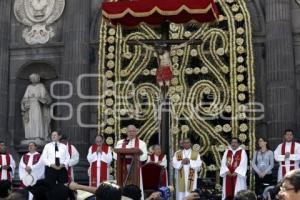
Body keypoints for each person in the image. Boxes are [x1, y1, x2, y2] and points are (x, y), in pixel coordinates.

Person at [114, 125, 148, 197]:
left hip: (136, 167)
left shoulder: (142, 143)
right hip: (123, 166)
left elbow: (145, 157)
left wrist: (135, 155)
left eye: (133, 131)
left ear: (136, 132)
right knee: (123, 185)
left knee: (136, 185)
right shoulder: (120, 142)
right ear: (127, 132)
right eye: (130, 131)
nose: (131, 133)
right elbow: (115, 155)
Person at [21, 73, 52, 140]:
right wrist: (25, 102)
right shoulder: (29, 87)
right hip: (30, 106)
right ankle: (30, 136)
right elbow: (25, 97)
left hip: (38, 105)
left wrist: (40, 99)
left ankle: (38, 136)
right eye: (32, 78)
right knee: (30, 121)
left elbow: (44, 97)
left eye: (34, 78)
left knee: (37, 120)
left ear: (38, 78)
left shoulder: (41, 86)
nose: (33, 79)